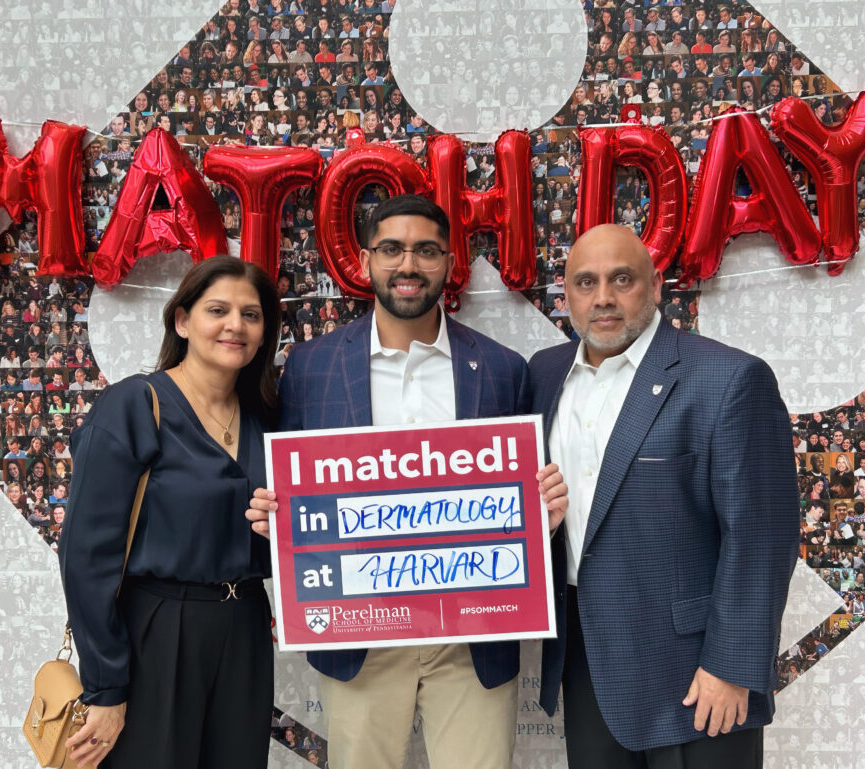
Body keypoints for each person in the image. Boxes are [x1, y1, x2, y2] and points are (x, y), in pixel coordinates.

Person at [246, 194, 566, 769]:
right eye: (391, 249)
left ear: (448, 261)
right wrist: (279, 517)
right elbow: (291, 487)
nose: (408, 265)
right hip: (360, 633)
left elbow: (520, 497)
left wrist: (540, 514)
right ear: (366, 258)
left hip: (475, 635)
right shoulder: (312, 368)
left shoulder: (502, 369)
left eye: (426, 250)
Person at [529, 225, 799, 768]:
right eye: (586, 282)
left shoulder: (728, 378)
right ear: (566, 296)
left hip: (695, 672)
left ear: (655, 287)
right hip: (589, 660)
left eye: (621, 279)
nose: (603, 297)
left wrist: (732, 665)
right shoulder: (544, 374)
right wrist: (543, 524)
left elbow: (761, 538)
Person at [58, 256, 281, 768]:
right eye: (218, 310)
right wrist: (107, 685)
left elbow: (276, 543)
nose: (235, 326)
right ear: (182, 321)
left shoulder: (270, 418)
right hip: (157, 631)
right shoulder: (134, 406)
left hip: (245, 628)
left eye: (251, 315)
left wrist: (283, 531)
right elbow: (85, 557)